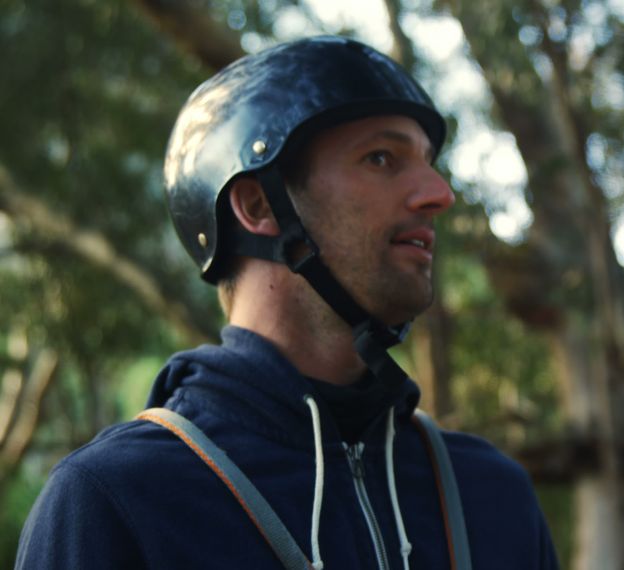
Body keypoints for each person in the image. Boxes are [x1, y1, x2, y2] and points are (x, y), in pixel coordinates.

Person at [16, 36, 558, 569]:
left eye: (428, 161)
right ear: (258, 205)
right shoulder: (116, 502)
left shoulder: (493, 496)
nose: (439, 194)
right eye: (381, 158)